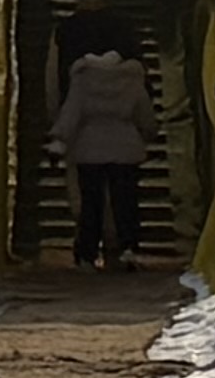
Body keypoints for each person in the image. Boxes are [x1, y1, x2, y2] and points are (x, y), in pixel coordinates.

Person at [54, 22, 155, 271]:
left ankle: (87, 253)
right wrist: (148, 133)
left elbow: (72, 112)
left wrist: (60, 140)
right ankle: (128, 247)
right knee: (126, 201)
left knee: (91, 203)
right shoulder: (132, 77)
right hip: (125, 145)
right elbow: (144, 113)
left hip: (89, 147)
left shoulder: (82, 77)